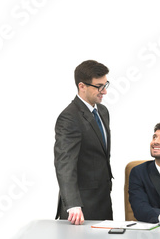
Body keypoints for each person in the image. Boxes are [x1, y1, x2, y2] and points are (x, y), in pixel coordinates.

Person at [54, 60, 113, 225]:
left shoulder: (102, 111)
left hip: (103, 200)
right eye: (99, 86)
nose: (105, 91)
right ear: (82, 86)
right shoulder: (69, 117)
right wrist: (72, 204)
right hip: (81, 207)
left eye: (106, 84)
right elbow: (64, 163)